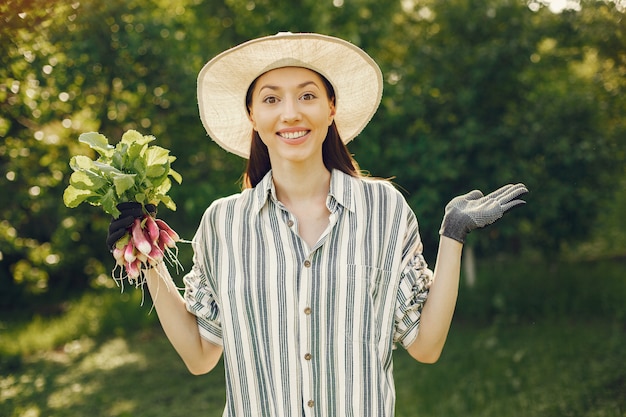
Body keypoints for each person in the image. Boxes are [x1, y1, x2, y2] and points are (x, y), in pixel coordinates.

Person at [108, 32, 528, 416]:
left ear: (331, 109)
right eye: (271, 99)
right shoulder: (223, 223)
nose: (290, 113)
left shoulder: (384, 210)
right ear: (252, 115)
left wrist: (451, 236)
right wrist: (146, 256)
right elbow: (201, 357)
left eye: (307, 96)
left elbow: (426, 346)